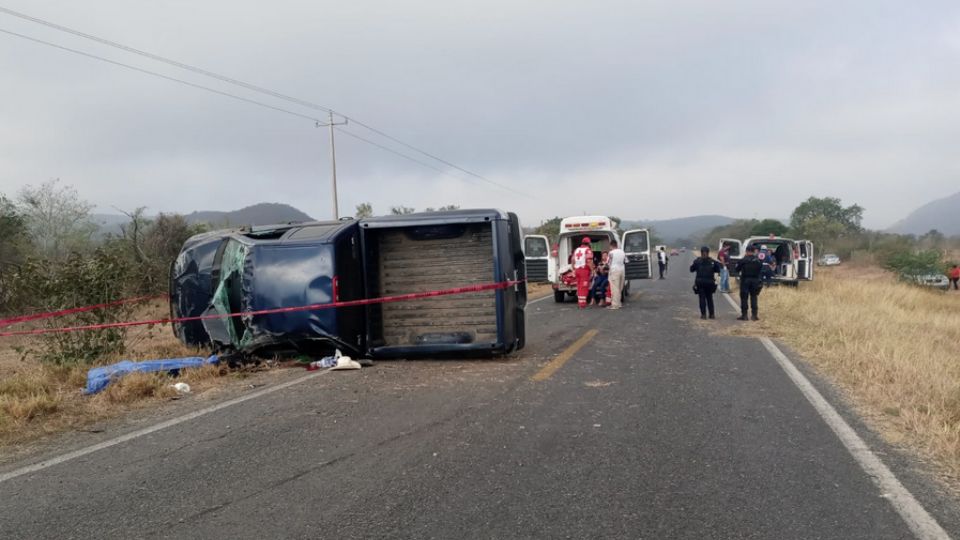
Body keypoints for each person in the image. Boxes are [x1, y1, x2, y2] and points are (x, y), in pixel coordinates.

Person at [690, 246, 722, 319]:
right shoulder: (713, 261)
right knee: (709, 298)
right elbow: (718, 270)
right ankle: (712, 314)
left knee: (702, 298)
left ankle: (703, 315)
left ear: (701, 253)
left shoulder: (697, 261)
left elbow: (691, 269)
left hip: (700, 282)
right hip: (710, 282)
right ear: (708, 252)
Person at [735, 244, 764, 321]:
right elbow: (760, 269)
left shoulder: (743, 260)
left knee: (744, 298)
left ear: (746, 251)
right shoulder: (758, 261)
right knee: (754, 297)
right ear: (754, 251)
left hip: (745, 280)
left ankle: (744, 315)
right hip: (755, 280)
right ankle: (754, 315)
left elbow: (737, 269)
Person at [572, 237, 594, 309]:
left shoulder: (577, 250)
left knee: (579, 286)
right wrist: (593, 270)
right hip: (584, 270)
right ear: (589, 243)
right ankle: (582, 304)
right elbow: (589, 261)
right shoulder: (588, 250)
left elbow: (572, 260)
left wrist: (573, 269)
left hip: (577, 270)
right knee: (584, 287)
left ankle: (580, 302)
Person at [607, 240, 626, 309]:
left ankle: (615, 305)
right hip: (622, 270)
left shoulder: (611, 253)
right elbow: (626, 261)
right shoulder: (622, 252)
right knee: (619, 288)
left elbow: (608, 263)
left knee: (614, 288)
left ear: (611, 246)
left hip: (614, 271)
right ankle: (619, 303)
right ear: (617, 245)